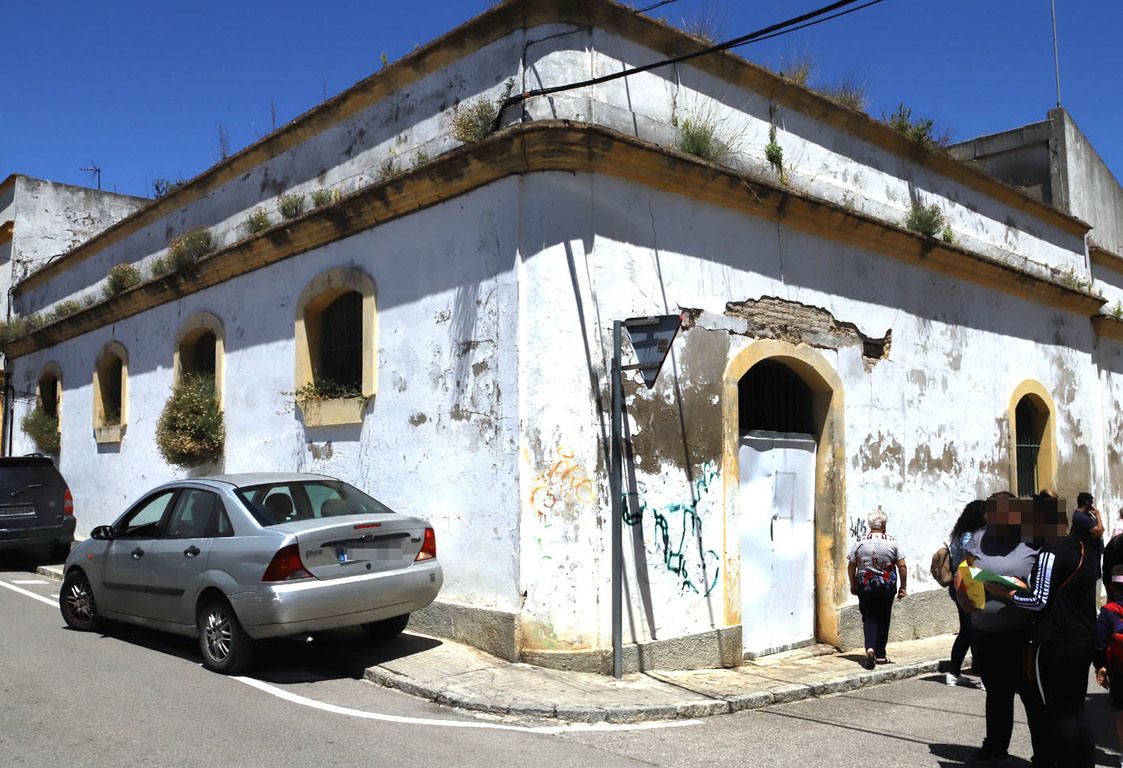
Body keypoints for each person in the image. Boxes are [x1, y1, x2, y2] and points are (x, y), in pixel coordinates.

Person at [1005, 501, 1101, 768]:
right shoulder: (1085, 550)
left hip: (1056, 642)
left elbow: (1038, 599)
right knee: (1076, 710)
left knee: (1058, 712)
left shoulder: (1051, 552)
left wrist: (1010, 594)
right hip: (1084, 638)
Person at [959, 493, 1045, 766]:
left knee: (1031, 697)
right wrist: (963, 594)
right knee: (997, 693)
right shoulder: (979, 537)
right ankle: (995, 746)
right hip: (986, 631)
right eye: (993, 516)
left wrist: (1007, 586)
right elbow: (966, 569)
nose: (996, 522)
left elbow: (1043, 583)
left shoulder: (1032, 540)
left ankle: (1044, 755)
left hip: (1023, 633)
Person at [847, 508, 907, 670]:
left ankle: (870, 648)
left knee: (868, 617)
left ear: (870, 524)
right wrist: (903, 586)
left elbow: (851, 565)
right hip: (886, 586)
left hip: (865, 585)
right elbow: (902, 566)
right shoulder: (892, 542)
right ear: (884, 525)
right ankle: (880, 654)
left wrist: (853, 584)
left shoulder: (860, 541)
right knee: (883, 617)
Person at [945, 500, 986, 688]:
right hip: (970, 585)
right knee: (974, 631)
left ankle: (955, 672)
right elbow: (972, 564)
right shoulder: (970, 538)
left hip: (960, 585)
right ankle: (982, 675)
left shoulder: (959, 535)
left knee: (969, 630)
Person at [1093, 564, 1123, 768]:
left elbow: (1100, 644)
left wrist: (1100, 667)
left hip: (1120, 669)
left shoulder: (1108, 612)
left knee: (1122, 712)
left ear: (1111, 587)